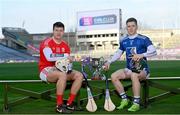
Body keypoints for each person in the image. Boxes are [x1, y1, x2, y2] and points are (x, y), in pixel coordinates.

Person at [104, 17, 157, 112]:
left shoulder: (144, 39)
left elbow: (153, 51)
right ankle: (125, 100)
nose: (131, 28)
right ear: (126, 28)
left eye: (133, 26)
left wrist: (141, 55)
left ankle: (136, 103)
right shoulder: (124, 40)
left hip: (142, 70)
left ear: (136, 27)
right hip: (129, 69)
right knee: (113, 76)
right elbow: (118, 53)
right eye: (128, 26)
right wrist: (109, 61)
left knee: (134, 75)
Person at [38, 22, 83, 113]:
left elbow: (67, 62)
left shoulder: (65, 45)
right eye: (56, 30)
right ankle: (59, 105)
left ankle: (69, 103)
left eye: (61, 30)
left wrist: (69, 66)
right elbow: (49, 57)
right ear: (53, 31)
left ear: (63, 32)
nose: (58, 32)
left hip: (60, 69)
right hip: (46, 70)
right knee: (62, 75)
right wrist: (66, 55)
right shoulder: (46, 43)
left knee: (79, 75)